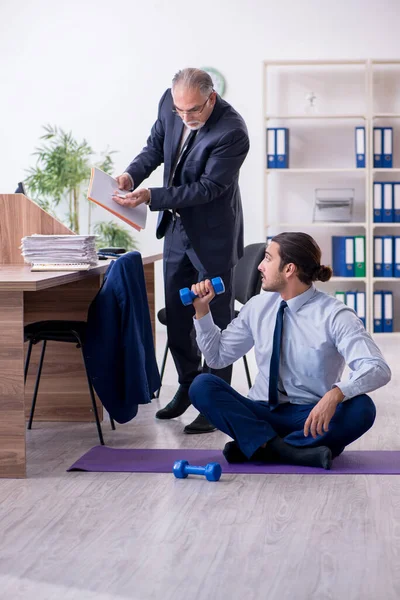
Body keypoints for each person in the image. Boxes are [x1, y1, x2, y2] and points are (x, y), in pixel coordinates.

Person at [113, 68, 250, 434]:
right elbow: (155, 148)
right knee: (176, 317)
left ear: (211, 99)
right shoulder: (170, 104)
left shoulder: (232, 132)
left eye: (193, 110)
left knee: (216, 320)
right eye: (180, 110)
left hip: (214, 236)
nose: (185, 117)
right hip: (175, 229)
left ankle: (215, 400)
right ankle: (189, 386)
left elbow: (207, 189)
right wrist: (131, 176)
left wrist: (152, 197)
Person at [188, 232, 391, 469]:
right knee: (202, 386)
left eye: (267, 258)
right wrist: (202, 312)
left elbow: (377, 367)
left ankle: (259, 444)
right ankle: (292, 451)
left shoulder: (335, 314)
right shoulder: (258, 307)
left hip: (310, 417)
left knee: (362, 409)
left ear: (289, 269)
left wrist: (336, 394)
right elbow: (218, 357)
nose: (260, 266)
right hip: (261, 410)